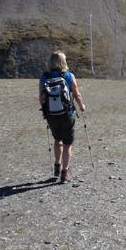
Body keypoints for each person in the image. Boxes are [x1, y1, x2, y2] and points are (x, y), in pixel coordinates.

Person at [39, 51, 86, 182]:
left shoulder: (44, 77)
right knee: (67, 143)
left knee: (57, 140)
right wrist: (82, 106)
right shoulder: (69, 76)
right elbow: (77, 94)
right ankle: (65, 172)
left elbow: (41, 97)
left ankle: (57, 165)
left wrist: (46, 111)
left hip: (51, 115)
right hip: (67, 114)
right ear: (63, 61)